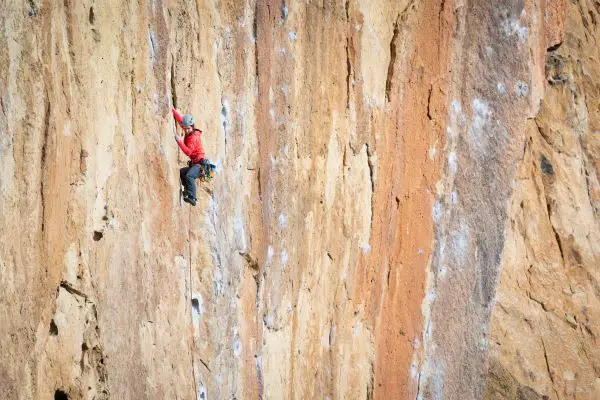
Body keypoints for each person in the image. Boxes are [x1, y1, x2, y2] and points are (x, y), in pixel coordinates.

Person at [172, 108, 205, 206]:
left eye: (188, 128)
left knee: (189, 175)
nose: (186, 130)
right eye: (185, 128)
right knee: (182, 172)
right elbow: (180, 120)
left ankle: (193, 198)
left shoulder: (193, 138)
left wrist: (179, 142)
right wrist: (172, 110)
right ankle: (186, 190)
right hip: (195, 163)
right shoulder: (189, 131)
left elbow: (188, 152)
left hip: (200, 165)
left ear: (192, 127)